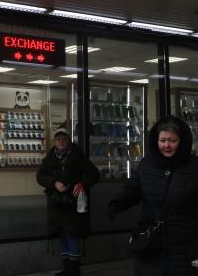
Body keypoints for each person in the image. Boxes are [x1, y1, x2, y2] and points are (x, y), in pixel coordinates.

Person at [108, 115, 198, 276]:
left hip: (184, 246)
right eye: (162, 140)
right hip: (150, 244)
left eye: (172, 140)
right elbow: (133, 187)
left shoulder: (194, 167)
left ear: (182, 141)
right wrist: (118, 202)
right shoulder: (147, 164)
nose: (167, 145)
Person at [37, 128, 100, 276]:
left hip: (72, 203)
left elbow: (94, 174)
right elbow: (40, 176)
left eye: (63, 138)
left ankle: (74, 271)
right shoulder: (50, 156)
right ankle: (66, 270)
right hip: (56, 203)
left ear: (68, 140)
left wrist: (82, 184)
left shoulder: (78, 156)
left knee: (72, 235)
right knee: (61, 235)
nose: (60, 141)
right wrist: (54, 183)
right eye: (58, 138)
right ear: (55, 140)